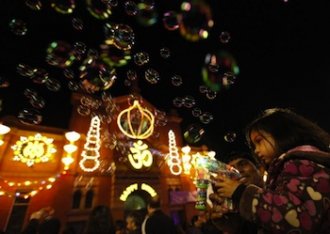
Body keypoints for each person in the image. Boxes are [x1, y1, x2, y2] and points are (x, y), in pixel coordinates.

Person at [214, 108, 330, 233]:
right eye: (253, 146)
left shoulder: (302, 164)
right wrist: (235, 226)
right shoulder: (290, 167)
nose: (256, 151)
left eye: (259, 141)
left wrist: (240, 192)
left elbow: (296, 219)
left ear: (282, 133)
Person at [209, 152, 264, 234]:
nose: (237, 171)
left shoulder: (279, 192)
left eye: (242, 164)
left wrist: (240, 192)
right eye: (231, 170)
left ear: (260, 170)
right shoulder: (235, 211)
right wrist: (233, 228)